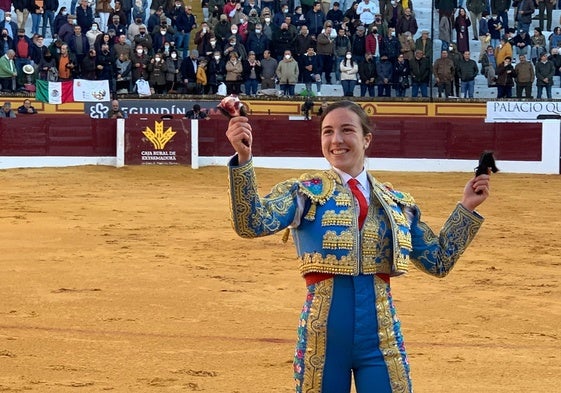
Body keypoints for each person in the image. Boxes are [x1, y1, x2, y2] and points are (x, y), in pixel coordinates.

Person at [225, 100, 490, 393]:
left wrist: (467, 207)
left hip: (381, 338)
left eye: (346, 130)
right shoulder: (304, 192)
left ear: (366, 139)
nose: (336, 140)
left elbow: (438, 261)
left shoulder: (396, 202)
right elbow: (251, 223)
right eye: (327, 132)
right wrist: (244, 159)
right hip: (322, 338)